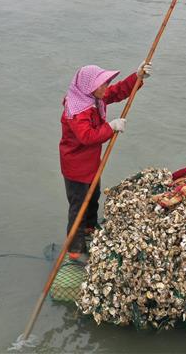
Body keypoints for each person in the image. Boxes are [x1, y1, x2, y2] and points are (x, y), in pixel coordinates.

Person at [60, 61, 152, 261]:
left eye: (105, 83)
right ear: (89, 87)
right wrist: (112, 127)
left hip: (91, 164)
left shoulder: (94, 98)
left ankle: (90, 229)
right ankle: (75, 249)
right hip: (76, 167)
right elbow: (87, 136)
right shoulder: (77, 110)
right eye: (101, 84)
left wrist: (136, 77)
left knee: (93, 196)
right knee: (79, 206)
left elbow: (117, 92)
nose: (105, 87)